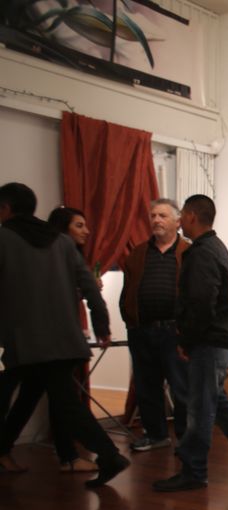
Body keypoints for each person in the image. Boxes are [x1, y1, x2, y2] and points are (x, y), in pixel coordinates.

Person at [0, 182, 130, 486]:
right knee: (34, 396)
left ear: (5, 208)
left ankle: (109, 456)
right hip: (65, 340)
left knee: (62, 402)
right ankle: (9, 450)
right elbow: (90, 288)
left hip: (27, 342)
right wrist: (102, 327)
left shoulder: (4, 239)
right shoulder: (61, 242)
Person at [153, 194, 228, 492]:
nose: (180, 221)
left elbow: (200, 303)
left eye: (182, 215)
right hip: (217, 337)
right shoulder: (214, 248)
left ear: (192, 217)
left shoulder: (202, 253)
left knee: (199, 408)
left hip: (209, 340)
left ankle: (194, 471)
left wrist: (186, 339)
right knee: (215, 401)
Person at [0, 207, 101, 473]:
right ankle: (73, 456)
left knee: (32, 396)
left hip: (35, 341)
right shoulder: (52, 250)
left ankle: (13, 450)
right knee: (58, 398)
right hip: (41, 341)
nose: (86, 231)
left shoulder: (55, 251)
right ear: (63, 229)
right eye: (79, 225)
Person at [120, 198, 190, 451]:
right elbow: (128, 290)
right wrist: (130, 320)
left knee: (182, 388)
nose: (156, 220)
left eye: (162, 215)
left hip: (175, 331)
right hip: (143, 330)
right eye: (153, 216)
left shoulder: (188, 252)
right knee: (146, 386)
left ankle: (186, 438)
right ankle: (156, 434)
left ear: (178, 222)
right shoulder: (138, 253)